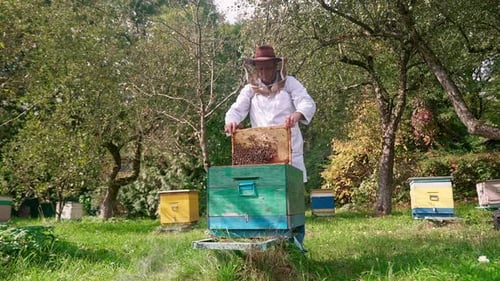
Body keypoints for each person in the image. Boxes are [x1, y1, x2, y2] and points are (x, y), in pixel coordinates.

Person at [224, 45, 316, 183]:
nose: (264, 72)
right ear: (256, 69)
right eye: (260, 68)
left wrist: (296, 115)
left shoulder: (290, 83)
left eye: (268, 68)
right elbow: (236, 110)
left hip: (290, 151)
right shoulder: (250, 89)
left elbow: (307, 102)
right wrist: (231, 122)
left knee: (291, 194)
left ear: (275, 66)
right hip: (261, 151)